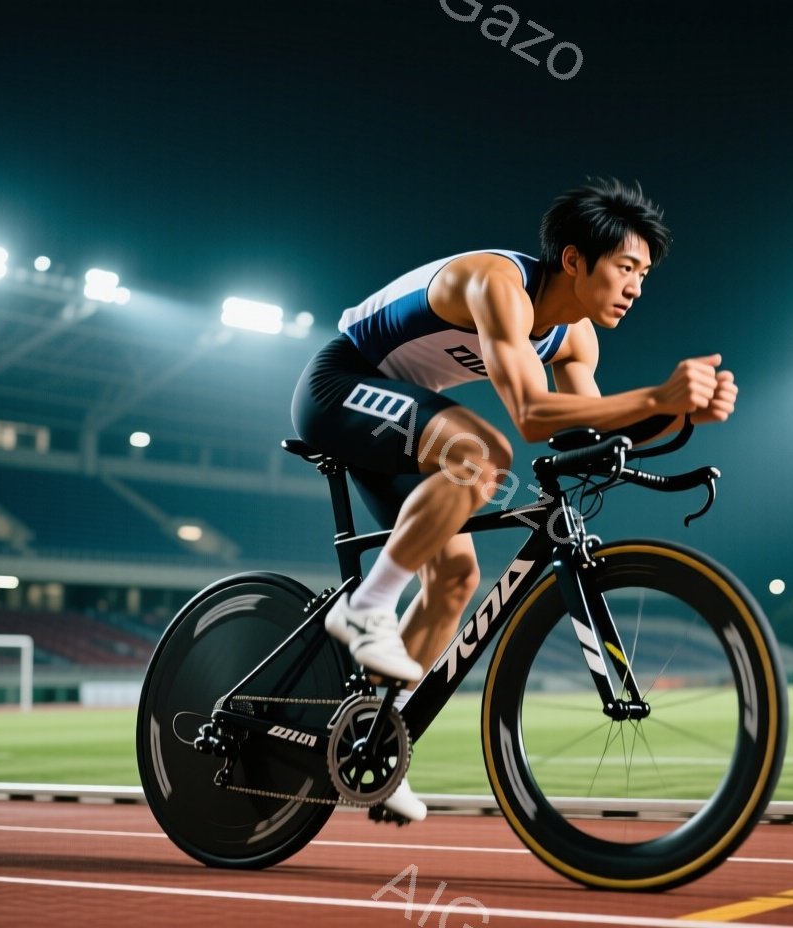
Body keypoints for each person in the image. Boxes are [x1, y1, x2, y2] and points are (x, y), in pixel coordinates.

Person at [289, 178, 737, 822]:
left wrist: (680, 416)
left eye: (644, 273)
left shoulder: (577, 338)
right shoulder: (500, 284)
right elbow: (531, 416)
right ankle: (367, 608)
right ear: (576, 259)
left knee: (455, 577)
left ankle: (374, 744)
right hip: (339, 385)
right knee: (483, 454)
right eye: (626, 267)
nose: (637, 286)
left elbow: (584, 423)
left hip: (398, 421)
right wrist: (657, 397)